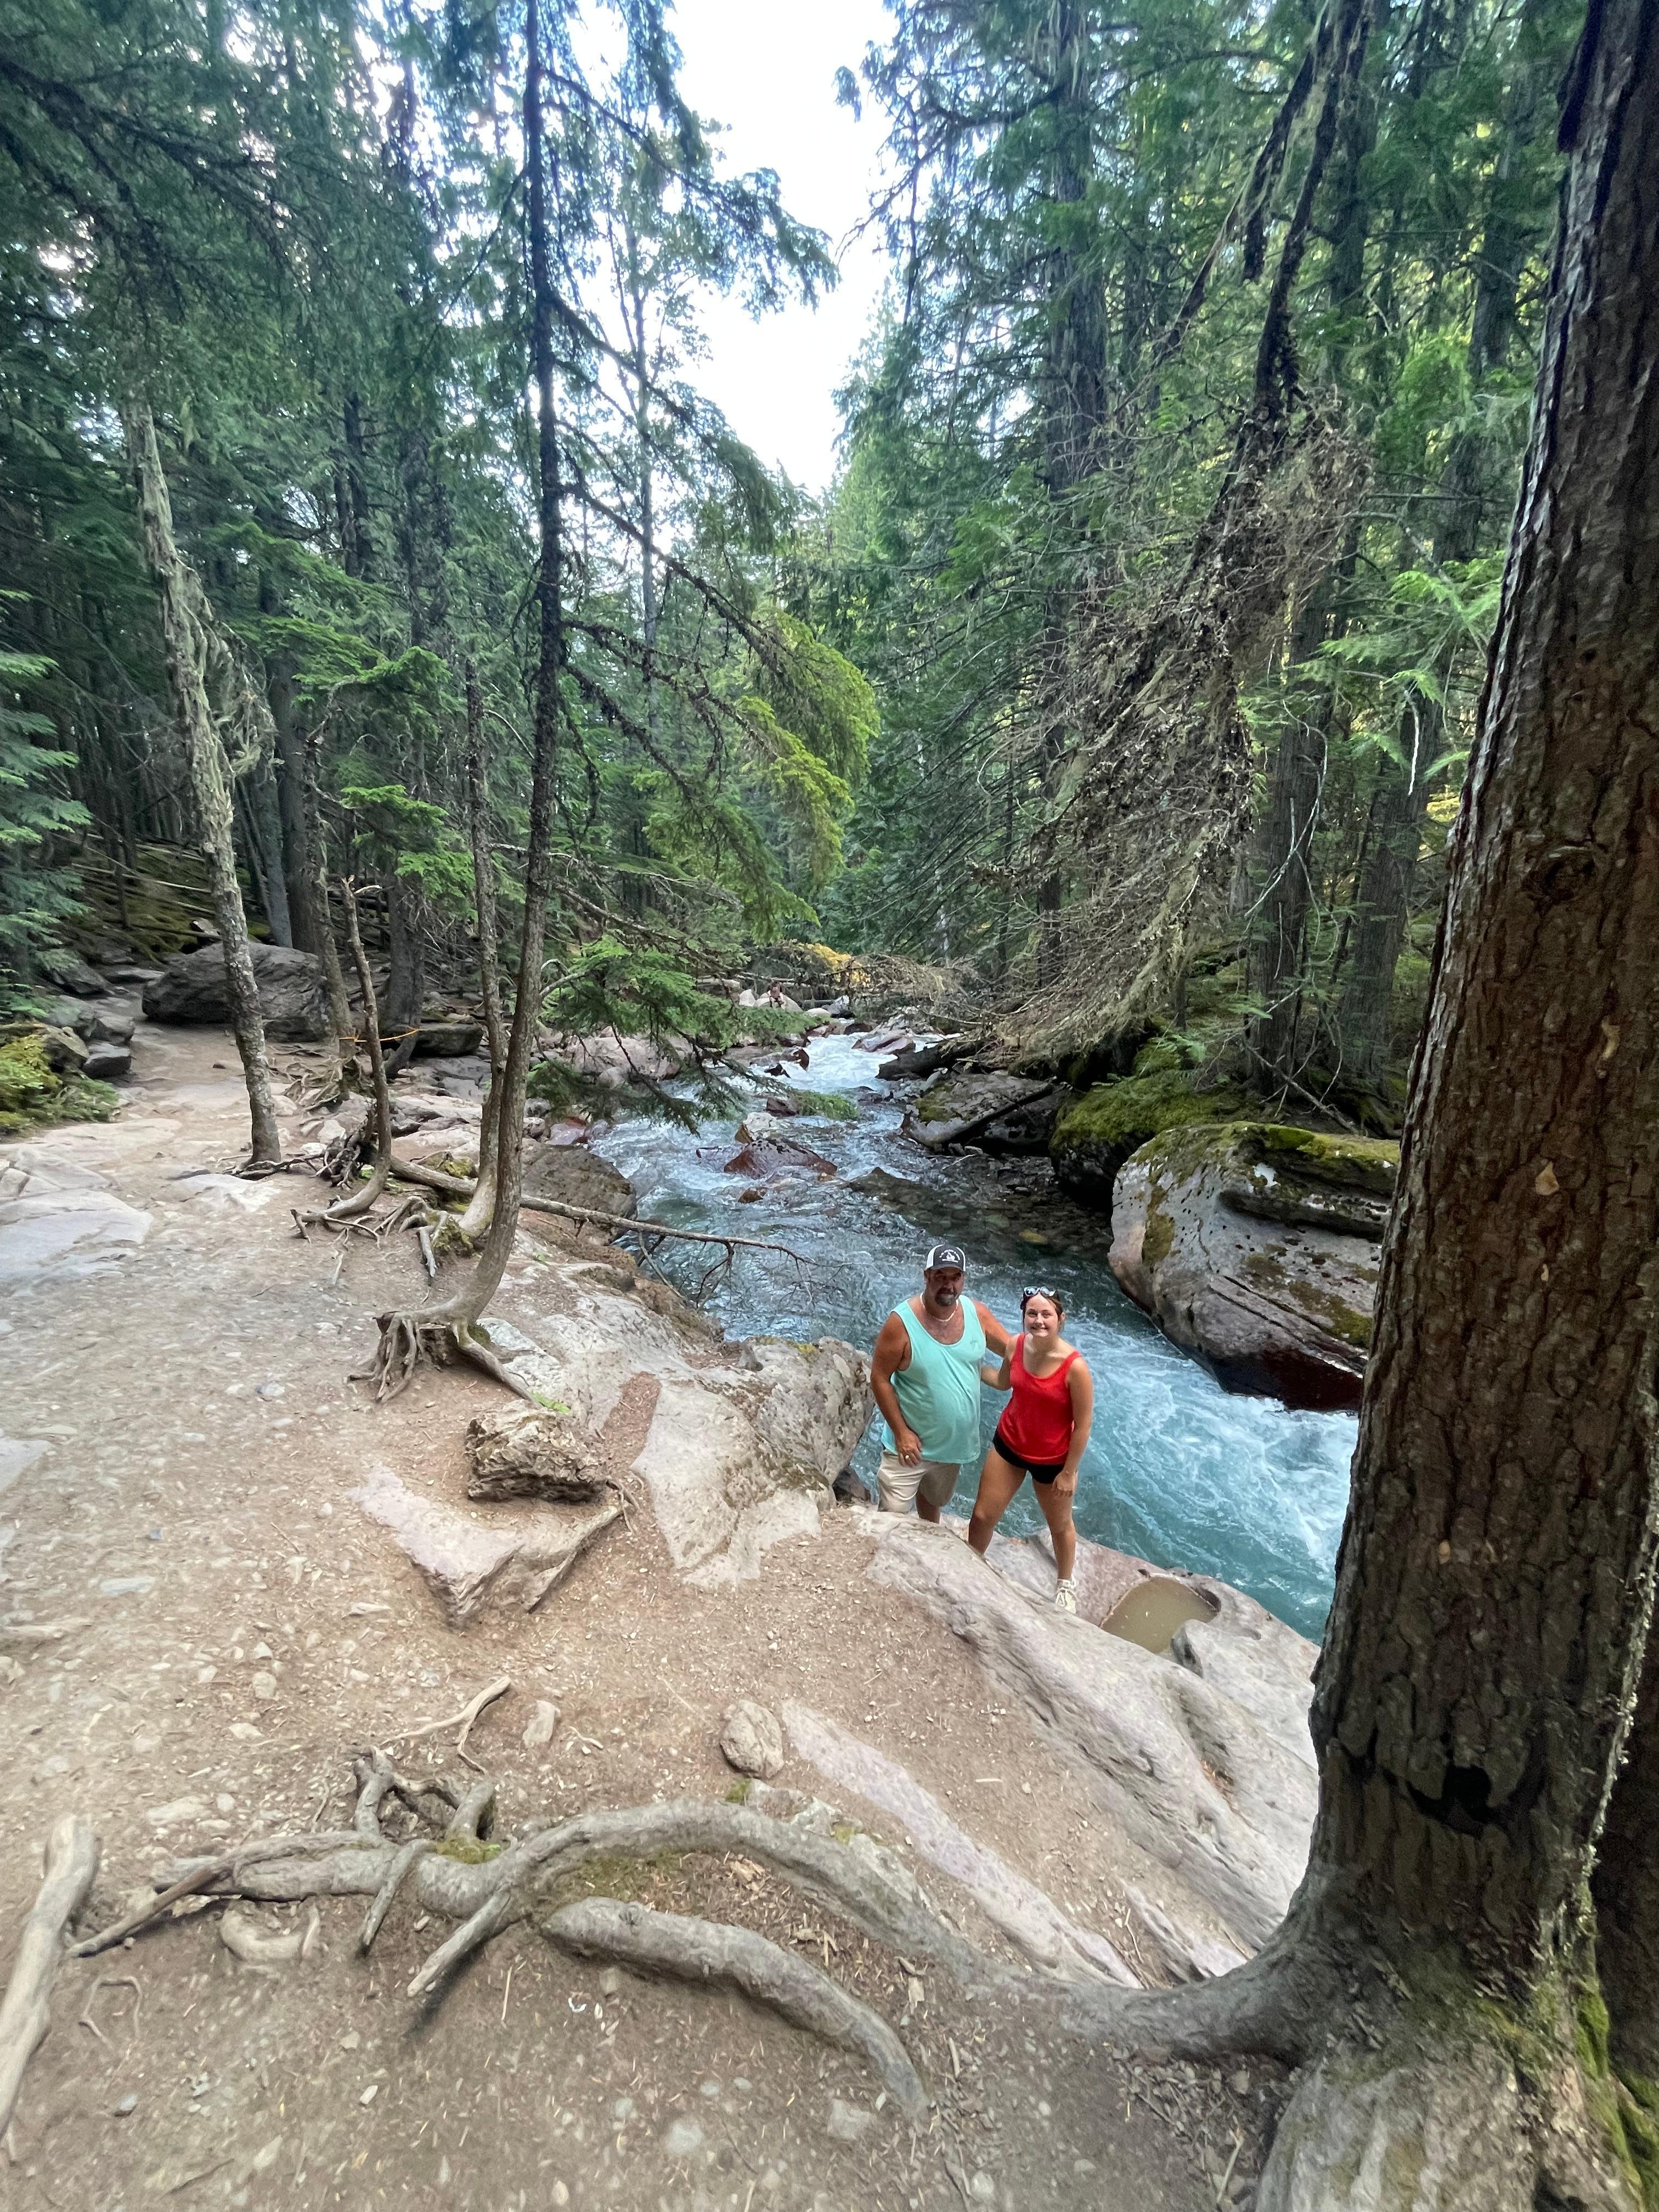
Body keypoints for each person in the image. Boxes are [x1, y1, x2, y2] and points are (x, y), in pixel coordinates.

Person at [968, 1288, 1093, 1612]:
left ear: (1061, 1319)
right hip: (1010, 1441)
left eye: (1046, 1315)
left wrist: (1069, 1472)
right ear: (1024, 1318)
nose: (1038, 1321)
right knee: (983, 1515)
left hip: (1053, 1459)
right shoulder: (1016, 1345)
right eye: (1032, 1314)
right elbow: (1003, 1382)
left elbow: (1083, 1425)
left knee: (1060, 1526)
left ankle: (1065, 1582)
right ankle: (969, 1563)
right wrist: (968, 1366)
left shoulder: (1075, 1368)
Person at [870, 1245, 1013, 1521]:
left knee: (933, 1506)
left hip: (952, 1448)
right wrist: (901, 1433)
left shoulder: (977, 1314)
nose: (948, 1285)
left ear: (963, 1279)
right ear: (927, 1276)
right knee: (891, 1519)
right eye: (940, 1276)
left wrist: (1054, 1357)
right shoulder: (900, 1323)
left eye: (955, 1277)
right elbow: (879, 1378)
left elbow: (1014, 1350)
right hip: (910, 1448)